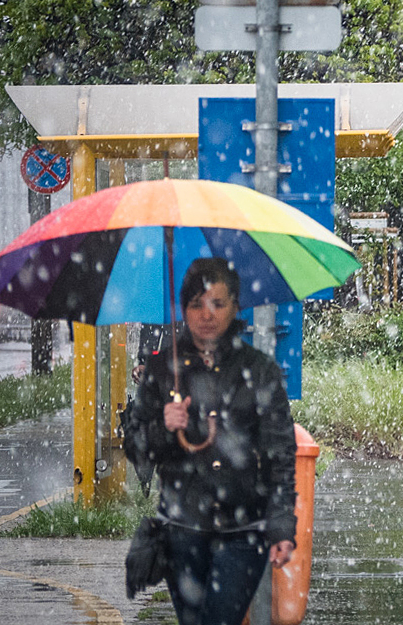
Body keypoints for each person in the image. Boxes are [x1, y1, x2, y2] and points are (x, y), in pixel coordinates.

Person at [125, 257, 297, 625]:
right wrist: (164, 427)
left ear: (235, 306)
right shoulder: (162, 369)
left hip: (243, 530)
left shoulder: (259, 371)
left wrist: (281, 525)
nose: (207, 314)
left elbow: (280, 454)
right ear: (183, 309)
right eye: (196, 304)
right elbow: (136, 446)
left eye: (218, 303)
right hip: (182, 531)